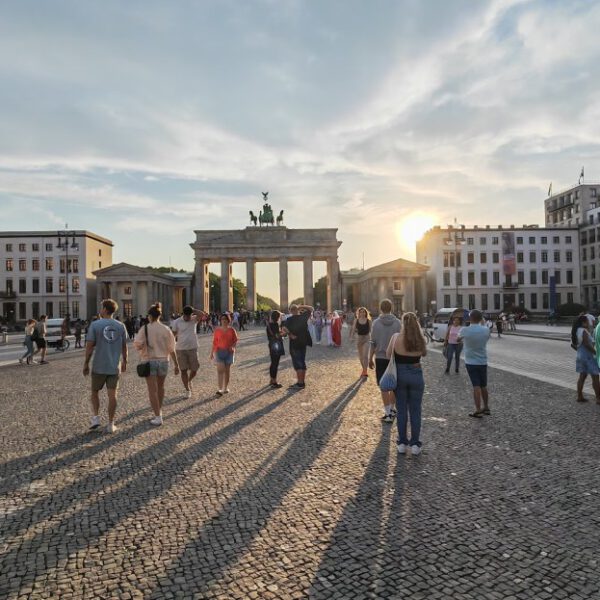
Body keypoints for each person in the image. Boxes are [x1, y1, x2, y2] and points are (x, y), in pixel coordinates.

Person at [83, 299, 128, 432]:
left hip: (99, 366)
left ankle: (96, 418)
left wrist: (86, 363)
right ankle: (111, 424)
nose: (100, 310)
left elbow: (89, 347)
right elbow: (124, 346)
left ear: (105, 309)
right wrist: (125, 361)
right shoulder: (120, 326)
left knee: (94, 391)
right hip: (114, 366)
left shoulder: (95, 325)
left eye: (101, 307)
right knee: (112, 395)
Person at [387, 312, 427, 456]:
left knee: (402, 410)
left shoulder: (396, 337)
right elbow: (424, 353)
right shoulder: (419, 338)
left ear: (402, 323)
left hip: (401, 376)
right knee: (416, 411)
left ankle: (402, 443)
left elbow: (387, 355)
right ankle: (415, 444)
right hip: (416, 375)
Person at [134, 302, 180, 425]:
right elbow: (172, 348)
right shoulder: (166, 329)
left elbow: (138, 345)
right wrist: (176, 365)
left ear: (150, 316)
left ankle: (158, 416)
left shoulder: (145, 329)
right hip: (164, 361)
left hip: (150, 361)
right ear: (159, 316)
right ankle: (159, 411)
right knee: (161, 387)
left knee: (152, 390)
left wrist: (142, 347)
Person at [369, 299, 402, 423]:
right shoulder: (398, 323)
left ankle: (387, 413)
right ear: (391, 308)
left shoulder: (376, 323)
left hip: (381, 357)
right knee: (394, 384)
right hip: (395, 357)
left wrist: (370, 358)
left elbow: (373, 342)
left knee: (383, 386)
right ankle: (392, 410)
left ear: (380, 308)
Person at [458, 309, 491, 418]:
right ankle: (486, 407)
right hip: (482, 360)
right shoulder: (486, 330)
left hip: (471, 361)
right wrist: (482, 322)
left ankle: (478, 409)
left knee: (476, 386)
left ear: (470, 318)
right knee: (483, 385)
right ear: (481, 318)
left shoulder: (465, 330)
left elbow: (458, 339)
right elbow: (486, 336)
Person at [171, 305, 207, 398]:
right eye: (186, 316)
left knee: (195, 369)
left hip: (192, 348)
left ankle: (189, 380)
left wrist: (193, 309)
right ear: (183, 314)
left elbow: (203, 314)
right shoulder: (176, 322)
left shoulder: (194, 319)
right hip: (180, 349)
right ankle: (187, 390)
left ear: (192, 314)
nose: (187, 318)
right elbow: (173, 335)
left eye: (189, 316)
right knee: (183, 370)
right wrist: (171, 346)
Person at [282, 303, 314, 389]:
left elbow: (284, 329)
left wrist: (290, 334)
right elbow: (311, 308)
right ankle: (302, 382)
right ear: (298, 310)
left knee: (298, 363)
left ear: (290, 311)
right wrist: (301, 306)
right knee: (302, 361)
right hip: (303, 342)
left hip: (294, 343)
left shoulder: (289, 319)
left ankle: (300, 383)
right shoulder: (303, 317)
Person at [210, 313, 238, 396]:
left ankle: (225, 387)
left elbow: (235, 340)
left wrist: (233, 347)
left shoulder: (232, 330)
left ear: (228, 320)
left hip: (229, 352)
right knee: (220, 370)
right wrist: (211, 353)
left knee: (227, 371)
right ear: (220, 320)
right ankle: (220, 389)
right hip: (218, 351)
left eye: (225, 319)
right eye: (222, 319)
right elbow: (214, 342)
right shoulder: (217, 330)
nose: (224, 320)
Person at [575, 315, 600, 403]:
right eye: (586, 321)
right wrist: (595, 352)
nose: (588, 323)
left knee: (582, 376)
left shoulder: (577, 331)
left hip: (580, 355)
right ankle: (598, 398)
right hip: (588, 356)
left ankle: (579, 396)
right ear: (583, 322)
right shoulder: (584, 331)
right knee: (595, 376)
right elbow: (586, 344)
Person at [350, 307, 371, 377]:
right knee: (361, 357)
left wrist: (374, 339)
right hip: (359, 339)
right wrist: (351, 337)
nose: (362, 313)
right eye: (361, 312)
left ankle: (365, 371)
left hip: (367, 338)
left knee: (365, 356)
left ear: (366, 313)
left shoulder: (368, 320)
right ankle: (364, 369)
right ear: (358, 313)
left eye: (363, 312)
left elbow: (371, 330)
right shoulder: (356, 320)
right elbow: (353, 329)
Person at [266, 310, 285, 388]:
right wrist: (283, 333)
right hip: (276, 345)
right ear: (277, 317)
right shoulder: (276, 324)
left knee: (273, 363)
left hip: (271, 344)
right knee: (275, 364)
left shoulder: (269, 325)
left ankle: (271, 379)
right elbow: (277, 336)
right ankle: (274, 381)